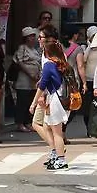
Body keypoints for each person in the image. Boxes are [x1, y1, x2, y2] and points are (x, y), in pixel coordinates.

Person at [33, 41, 70, 171]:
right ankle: (55, 154)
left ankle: (61, 160)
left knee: (57, 133)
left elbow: (42, 85)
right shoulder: (62, 64)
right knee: (47, 126)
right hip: (64, 100)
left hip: (56, 100)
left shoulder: (49, 65)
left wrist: (34, 103)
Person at [10, 27, 42, 133]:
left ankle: (28, 122)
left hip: (34, 80)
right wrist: (30, 73)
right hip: (24, 79)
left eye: (33, 36)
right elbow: (19, 62)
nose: (33, 38)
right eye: (30, 36)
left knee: (31, 101)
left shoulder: (35, 50)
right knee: (22, 102)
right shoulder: (22, 48)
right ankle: (20, 123)